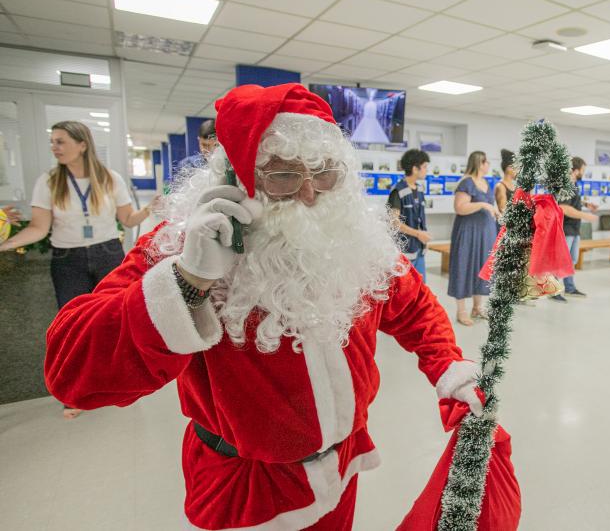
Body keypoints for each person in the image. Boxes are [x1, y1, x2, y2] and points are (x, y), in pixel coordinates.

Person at [42, 83, 483, 531]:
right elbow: (72, 374)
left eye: (325, 171)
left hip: (343, 468)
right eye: (284, 175)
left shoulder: (351, 239)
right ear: (236, 180)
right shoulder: (180, 245)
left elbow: (412, 306)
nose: (311, 193)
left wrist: (447, 365)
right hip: (245, 490)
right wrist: (188, 279)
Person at [0, 121, 158, 418]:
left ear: (82, 144)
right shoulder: (48, 182)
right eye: (53, 142)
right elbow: (38, 228)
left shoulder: (110, 179)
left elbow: (128, 220)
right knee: (72, 323)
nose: (54, 148)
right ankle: (74, 393)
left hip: (107, 252)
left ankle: (119, 382)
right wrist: (5, 245)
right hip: (67, 257)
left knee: (114, 319)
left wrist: (150, 210)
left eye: (60, 141)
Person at [448, 151, 499, 326]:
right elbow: (460, 207)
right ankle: (461, 310)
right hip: (468, 231)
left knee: (482, 268)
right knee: (464, 265)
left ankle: (477, 307)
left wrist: (495, 211)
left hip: (486, 232)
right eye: (486, 162)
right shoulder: (466, 182)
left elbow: (490, 205)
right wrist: (483, 204)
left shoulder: (485, 182)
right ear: (479, 163)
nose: (488, 165)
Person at [555, 156, 598, 301]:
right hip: (565, 229)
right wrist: (586, 216)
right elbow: (564, 207)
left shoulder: (573, 185)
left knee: (571, 260)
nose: (583, 173)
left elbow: (572, 202)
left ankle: (570, 288)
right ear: (575, 170)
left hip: (574, 229)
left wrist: (586, 205)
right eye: (582, 170)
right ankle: (553, 291)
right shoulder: (566, 185)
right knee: (561, 260)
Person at [387, 149, 431, 281]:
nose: (426, 170)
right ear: (415, 168)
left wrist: (424, 236)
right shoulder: (398, 191)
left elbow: (420, 218)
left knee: (421, 289)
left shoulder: (420, 189)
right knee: (405, 291)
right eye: (424, 167)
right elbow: (394, 222)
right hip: (404, 252)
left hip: (419, 250)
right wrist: (418, 234)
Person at [494, 148, 516, 215]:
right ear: (509, 168)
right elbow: (503, 210)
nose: (518, 171)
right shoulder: (501, 186)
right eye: (516, 168)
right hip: (504, 224)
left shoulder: (514, 185)